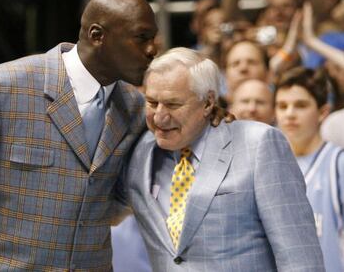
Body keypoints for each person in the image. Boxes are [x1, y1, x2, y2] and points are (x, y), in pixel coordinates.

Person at [0, 0, 158, 271]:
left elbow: (114, 204)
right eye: (142, 37)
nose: (153, 49)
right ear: (97, 35)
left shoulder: (135, 107)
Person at [119, 47, 324, 271]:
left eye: (173, 104)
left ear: (208, 103)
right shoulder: (139, 153)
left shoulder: (258, 144)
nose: (159, 116)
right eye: (152, 102)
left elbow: (299, 256)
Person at [275, 66, 344, 272]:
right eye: (282, 105)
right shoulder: (269, 166)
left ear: (323, 112)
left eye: (301, 105)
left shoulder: (338, 163)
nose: (289, 114)